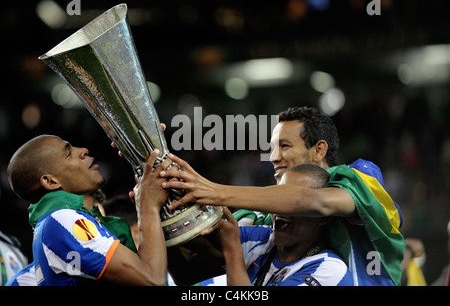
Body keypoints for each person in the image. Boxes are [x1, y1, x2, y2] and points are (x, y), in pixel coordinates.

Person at [160, 106, 405, 286]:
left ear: (319, 149)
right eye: (272, 148)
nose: (274, 157)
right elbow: (203, 244)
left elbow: (313, 201)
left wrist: (214, 191)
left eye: (285, 146)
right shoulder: (268, 215)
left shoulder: (360, 175)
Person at [7, 134, 169, 286]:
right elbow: (152, 279)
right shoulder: (62, 221)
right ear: (50, 181)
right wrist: (148, 207)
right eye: (69, 154)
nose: (83, 151)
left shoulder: (59, 223)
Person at [219, 164, 353, 286]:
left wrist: (232, 250)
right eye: (279, 199)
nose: (280, 209)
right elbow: (207, 239)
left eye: (293, 203)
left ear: (324, 218)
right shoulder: (264, 237)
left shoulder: (330, 270)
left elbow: (230, 243)